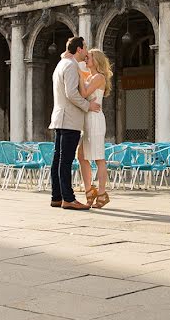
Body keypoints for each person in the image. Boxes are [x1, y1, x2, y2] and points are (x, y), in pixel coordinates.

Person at [49, 36, 101, 210]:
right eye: (85, 48)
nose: (86, 52)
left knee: (58, 159)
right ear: (78, 49)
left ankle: (56, 196)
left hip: (60, 117)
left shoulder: (61, 64)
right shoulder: (71, 65)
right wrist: (88, 105)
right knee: (65, 160)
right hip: (69, 119)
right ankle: (68, 199)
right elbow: (71, 93)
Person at [77, 49, 113, 209]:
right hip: (87, 118)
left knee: (98, 157)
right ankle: (90, 189)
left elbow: (84, 92)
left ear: (96, 60)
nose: (86, 59)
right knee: (81, 156)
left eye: (89, 57)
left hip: (95, 119)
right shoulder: (91, 76)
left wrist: (78, 75)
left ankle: (102, 193)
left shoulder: (99, 77)